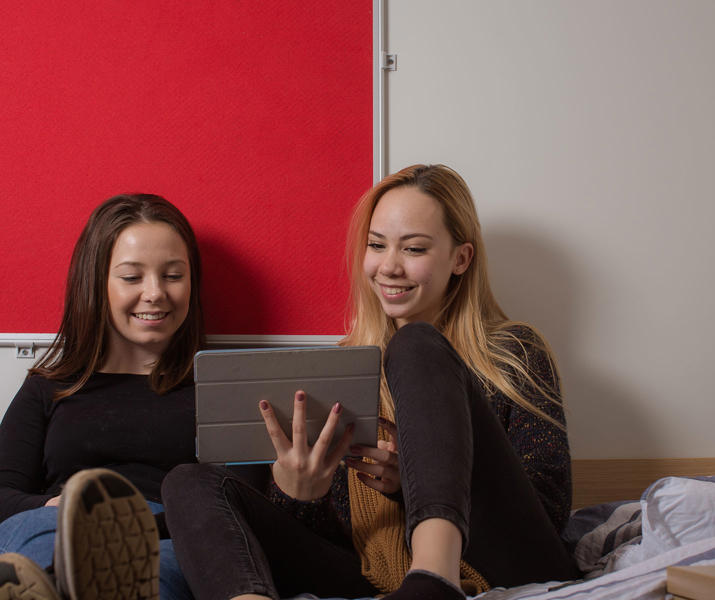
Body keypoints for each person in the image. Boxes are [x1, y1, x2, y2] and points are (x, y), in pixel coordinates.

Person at [162, 164, 579, 600]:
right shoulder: (347, 371)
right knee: (187, 483)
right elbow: (335, 537)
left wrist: (414, 482)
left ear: (461, 258)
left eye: (414, 249)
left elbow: (547, 511)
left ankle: (435, 580)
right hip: (373, 574)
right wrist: (299, 491)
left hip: (508, 559)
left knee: (417, 342)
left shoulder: (513, 352)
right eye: (377, 245)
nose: (389, 267)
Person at [0, 194, 204, 600]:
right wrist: (59, 508)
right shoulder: (50, 385)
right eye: (132, 277)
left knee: (156, 576)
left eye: (173, 275)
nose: (155, 293)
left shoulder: (217, 388)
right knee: (36, 548)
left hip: (163, 537)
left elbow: (232, 505)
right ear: (97, 283)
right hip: (54, 522)